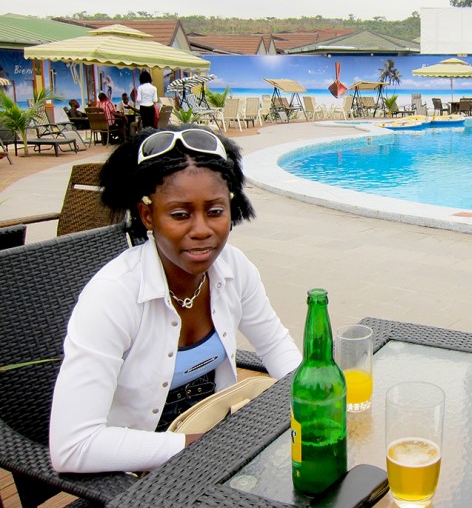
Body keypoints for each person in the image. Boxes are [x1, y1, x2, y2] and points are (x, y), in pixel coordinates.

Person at [49, 126, 302, 473]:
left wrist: (313, 400)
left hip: (217, 441)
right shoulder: (114, 295)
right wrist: (202, 445)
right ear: (148, 215)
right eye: (180, 215)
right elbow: (72, 447)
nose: (201, 229)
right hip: (134, 467)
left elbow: (275, 345)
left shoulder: (233, 268)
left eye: (215, 211)